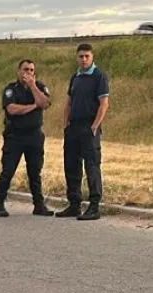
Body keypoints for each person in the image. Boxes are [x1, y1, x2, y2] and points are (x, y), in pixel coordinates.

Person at [0, 59, 53, 218]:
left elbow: (45, 103)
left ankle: (38, 205)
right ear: (18, 71)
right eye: (25, 69)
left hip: (34, 135)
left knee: (35, 171)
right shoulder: (11, 89)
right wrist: (34, 106)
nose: (28, 73)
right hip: (15, 136)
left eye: (31, 70)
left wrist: (33, 87)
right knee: (8, 170)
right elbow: (12, 109)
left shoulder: (40, 87)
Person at [58, 43, 110, 221]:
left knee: (92, 166)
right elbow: (69, 102)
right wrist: (65, 124)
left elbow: (104, 104)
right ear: (76, 57)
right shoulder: (75, 77)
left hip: (89, 126)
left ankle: (94, 206)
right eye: (80, 56)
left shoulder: (99, 76)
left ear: (92, 57)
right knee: (71, 165)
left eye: (87, 56)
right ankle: (74, 204)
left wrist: (95, 126)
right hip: (73, 126)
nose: (84, 59)